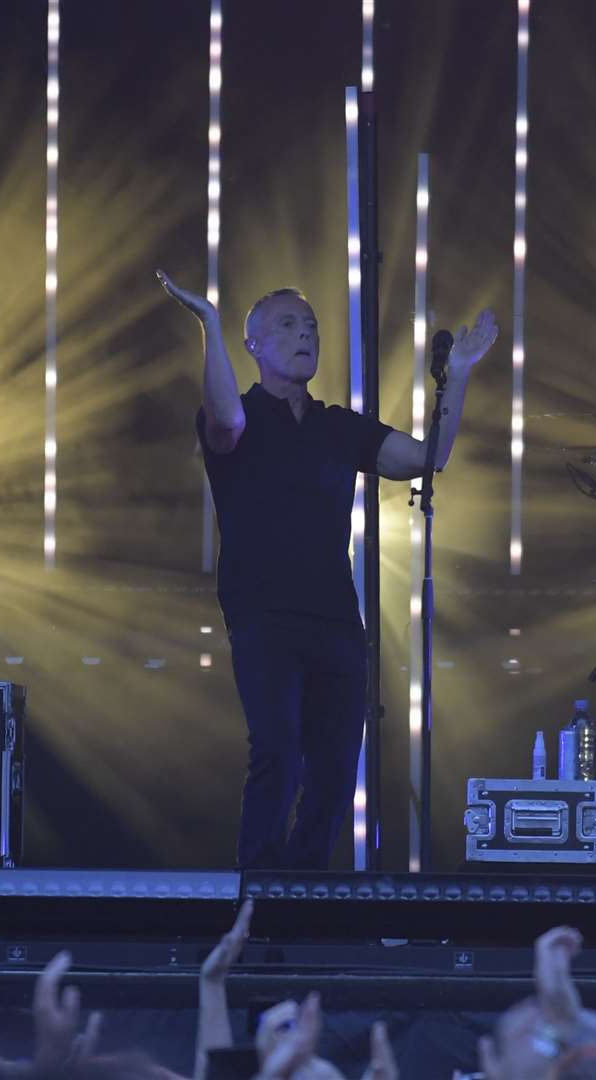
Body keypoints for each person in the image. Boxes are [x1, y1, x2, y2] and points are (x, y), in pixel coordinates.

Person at [157, 269, 498, 869]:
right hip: (263, 614)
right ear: (255, 344)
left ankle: (306, 894)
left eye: (310, 326)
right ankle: (259, 896)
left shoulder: (338, 427)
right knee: (278, 752)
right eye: (287, 325)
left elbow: (427, 458)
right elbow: (225, 424)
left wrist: (461, 376)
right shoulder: (239, 417)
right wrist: (209, 323)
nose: (304, 334)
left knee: (337, 770)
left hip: (336, 619)